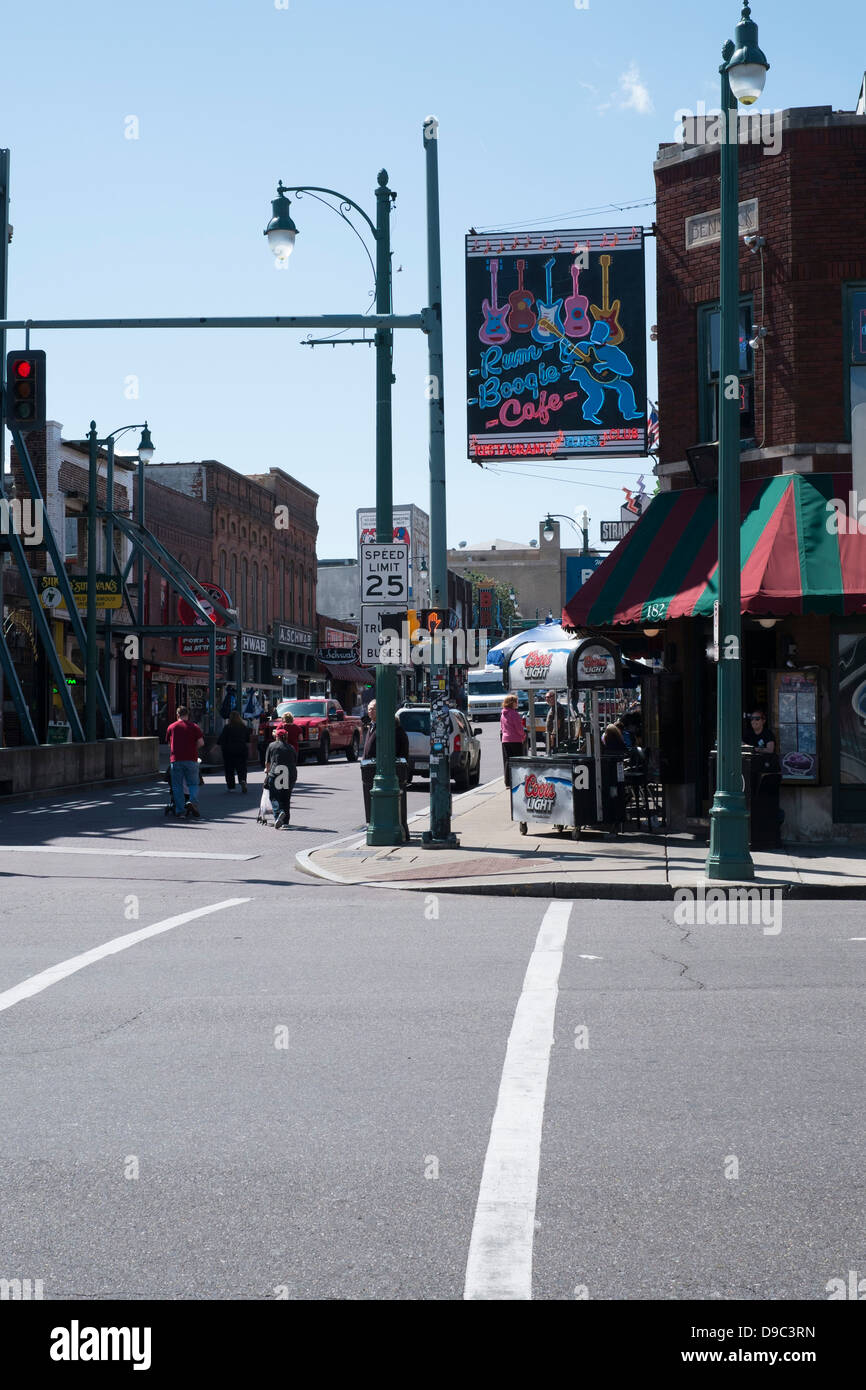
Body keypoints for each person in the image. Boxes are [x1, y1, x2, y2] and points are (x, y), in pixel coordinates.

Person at [166, 705, 204, 817]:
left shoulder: (171, 727)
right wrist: (192, 747)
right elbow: (201, 743)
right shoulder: (195, 727)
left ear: (177, 715)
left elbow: (169, 744)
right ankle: (192, 801)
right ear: (188, 715)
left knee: (177, 786)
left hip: (176, 759)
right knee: (193, 783)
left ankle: (180, 810)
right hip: (191, 759)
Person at [264, 722, 298, 829]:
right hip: (290, 774)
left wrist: (267, 771)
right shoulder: (291, 747)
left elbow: (267, 763)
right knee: (286, 798)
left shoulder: (272, 745)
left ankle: (279, 814)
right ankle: (285, 821)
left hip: (276, 773)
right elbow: (295, 761)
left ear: (277, 737)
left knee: (274, 797)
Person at [218, 710, 250, 793]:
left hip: (229, 751)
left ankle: (231, 786)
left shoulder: (227, 727)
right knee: (242, 768)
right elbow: (248, 739)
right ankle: (242, 780)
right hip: (241, 750)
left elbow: (221, 739)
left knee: (229, 769)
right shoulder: (243, 727)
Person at [500, 693, 527, 787]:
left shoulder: (503, 714)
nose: (517, 703)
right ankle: (517, 780)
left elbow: (502, 727)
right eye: (516, 702)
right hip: (515, 739)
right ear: (512, 703)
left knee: (508, 760)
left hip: (505, 739)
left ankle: (507, 782)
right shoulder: (514, 714)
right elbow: (519, 728)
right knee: (517, 761)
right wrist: (523, 735)